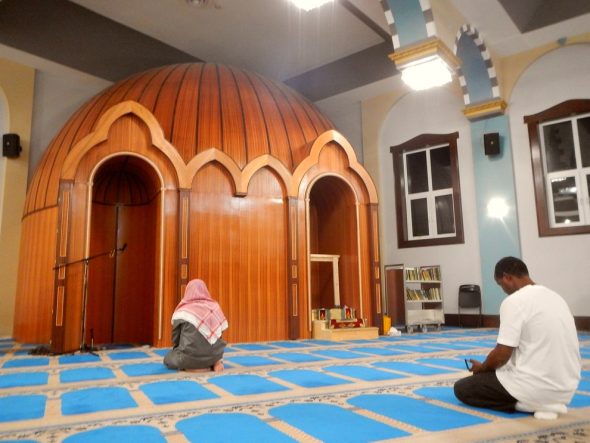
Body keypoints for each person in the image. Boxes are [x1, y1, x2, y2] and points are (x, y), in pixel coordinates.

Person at [454, 256, 581, 419]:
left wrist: (483, 368)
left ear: (507, 277)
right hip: (567, 389)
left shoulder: (514, 301)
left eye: (500, 284)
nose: (503, 290)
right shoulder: (557, 298)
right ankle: (547, 401)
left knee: (463, 389)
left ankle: (526, 404)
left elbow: (502, 355)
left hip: (533, 387)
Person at [164, 279, 228, 372]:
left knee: (168, 359)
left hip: (187, 358)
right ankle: (215, 362)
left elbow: (175, 339)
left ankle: (191, 366)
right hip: (213, 357)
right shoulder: (215, 308)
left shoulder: (183, 311)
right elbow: (219, 336)